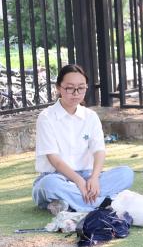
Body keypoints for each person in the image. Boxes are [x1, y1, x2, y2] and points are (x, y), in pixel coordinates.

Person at [32, 64, 134, 213]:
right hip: (57, 177)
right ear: (58, 87)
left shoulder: (90, 116)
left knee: (126, 174)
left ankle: (69, 202)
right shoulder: (46, 117)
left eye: (81, 88)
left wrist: (94, 178)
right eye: (70, 88)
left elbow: (99, 151)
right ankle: (103, 202)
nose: (76, 93)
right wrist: (79, 182)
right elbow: (55, 160)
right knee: (48, 186)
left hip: (87, 176)